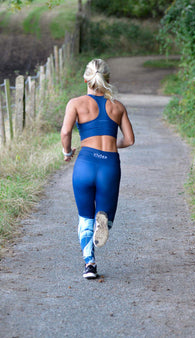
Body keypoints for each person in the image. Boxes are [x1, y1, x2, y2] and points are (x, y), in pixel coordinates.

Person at [60, 59, 135, 279]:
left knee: (85, 217)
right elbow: (129, 140)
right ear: (108, 79)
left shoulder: (75, 103)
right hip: (109, 165)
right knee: (105, 216)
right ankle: (103, 221)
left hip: (85, 163)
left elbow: (65, 133)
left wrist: (67, 152)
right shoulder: (117, 106)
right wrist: (112, 143)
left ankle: (89, 265)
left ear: (86, 79)